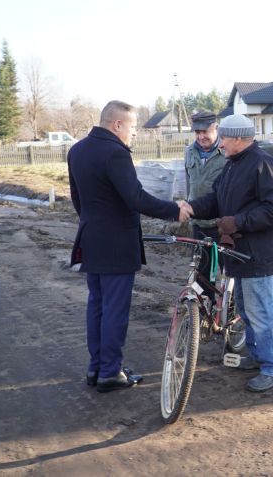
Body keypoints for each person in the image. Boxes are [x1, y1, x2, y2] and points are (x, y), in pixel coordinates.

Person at [68, 100, 192, 393]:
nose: (135, 133)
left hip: (91, 238)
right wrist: (174, 210)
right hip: (116, 243)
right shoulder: (115, 153)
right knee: (114, 309)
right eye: (133, 126)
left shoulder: (77, 150)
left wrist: (93, 224)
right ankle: (110, 372)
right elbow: (136, 198)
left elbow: (77, 199)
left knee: (97, 305)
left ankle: (96, 367)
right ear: (117, 124)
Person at [188, 113, 273, 392]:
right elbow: (216, 199)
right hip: (239, 252)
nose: (220, 145)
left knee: (260, 311)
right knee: (245, 309)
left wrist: (239, 221)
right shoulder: (234, 165)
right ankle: (258, 357)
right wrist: (192, 207)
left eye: (225, 140)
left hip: (256, 253)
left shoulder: (262, 164)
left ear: (240, 139)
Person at [184, 111, 227, 279]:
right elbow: (190, 185)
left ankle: (227, 305)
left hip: (222, 225)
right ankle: (204, 305)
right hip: (198, 223)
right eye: (197, 132)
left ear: (216, 128)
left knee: (227, 275)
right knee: (201, 273)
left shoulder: (226, 153)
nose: (201, 137)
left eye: (205, 132)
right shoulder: (189, 152)